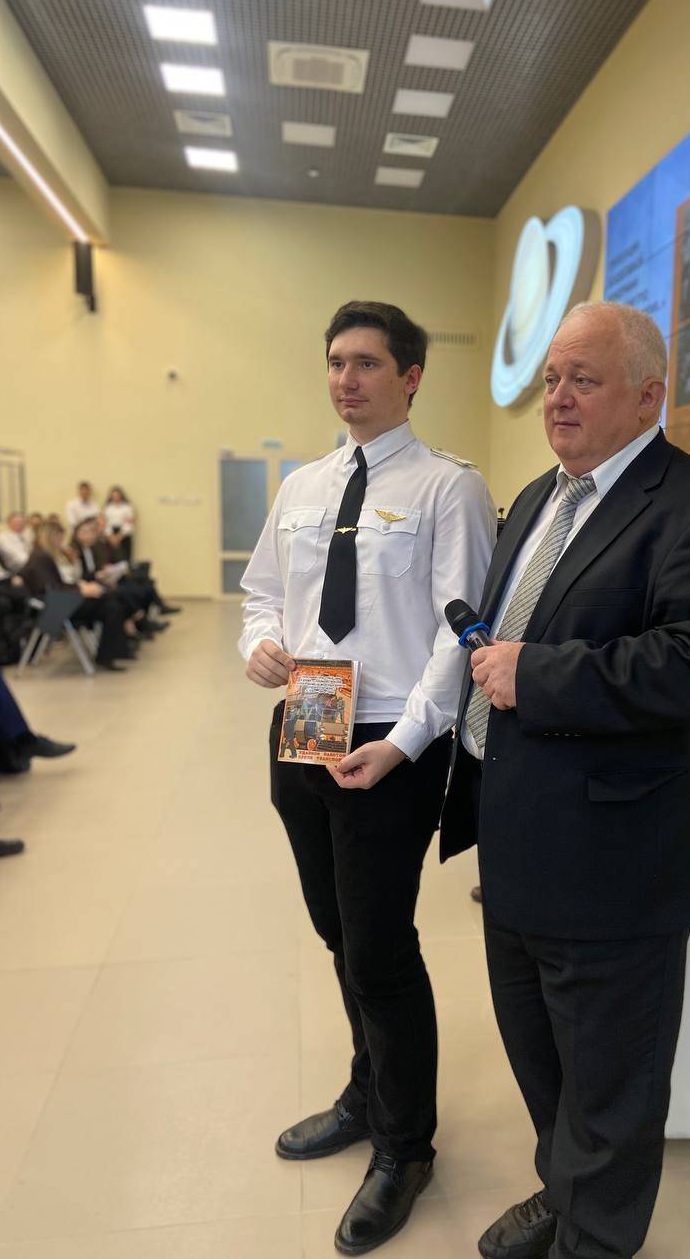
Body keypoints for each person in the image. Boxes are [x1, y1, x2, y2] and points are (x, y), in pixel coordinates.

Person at [439, 301, 690, 1259]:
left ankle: (595, 1238)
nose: (558, 397)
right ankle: (564, 1193)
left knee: (611, 1088)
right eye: (551, 379)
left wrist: (536, 674)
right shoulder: (538, 499)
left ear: (650, 395)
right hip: (515, 843)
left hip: (616, 862)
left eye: (583, 379)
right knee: (540, 1057)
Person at [239, 299, 496, 1255]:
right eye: (336, 361)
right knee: (337, 931)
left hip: (391, 739)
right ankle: (365, 1091)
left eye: (367, 363)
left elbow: (460, 629)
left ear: (410, 377)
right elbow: (262, 593)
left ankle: (404, 1147)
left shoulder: (446, 488)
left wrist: (409, 741)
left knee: (381, 947)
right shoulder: (303, 486)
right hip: (306, 723)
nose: (345, 379)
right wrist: (259, 645)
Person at [20, 522, 136, 671]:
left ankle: (111, 654)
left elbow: (56, 585)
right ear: (51, 537)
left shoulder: (42, 555)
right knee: (111, 604)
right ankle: (110, 654)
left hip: (60, 602)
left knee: (111, 601)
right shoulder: (41, 557)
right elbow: (52, 588)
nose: (61, 542)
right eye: (59, 538)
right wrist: (81, 590)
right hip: (57, 607)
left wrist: (81, 587)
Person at [103, 486, 136, 562]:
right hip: (110, 535)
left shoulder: (127, 507)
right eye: (114, 495)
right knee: (111, 559)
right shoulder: (107, 508)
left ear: (121, 496)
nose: (116, 497)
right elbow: (105, 523)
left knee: (124, 559)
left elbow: (129, 523)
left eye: (117, 495)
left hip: (123, 535)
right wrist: (111, 537)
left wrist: (119, 536)